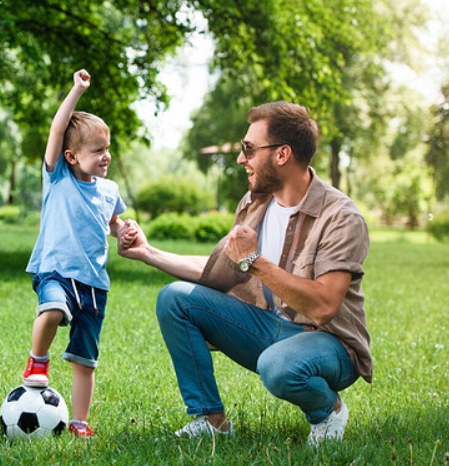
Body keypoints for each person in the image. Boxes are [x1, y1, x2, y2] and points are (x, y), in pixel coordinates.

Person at [117, 101, 371, 445]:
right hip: (270, 327)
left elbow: (324, 305)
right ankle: (211, 419)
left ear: (282, 154)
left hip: (330, 344)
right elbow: (219, 268)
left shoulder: (341, 217)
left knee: (278, 366)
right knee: (175, 299)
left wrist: (254, 259)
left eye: (248, 149)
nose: (241, 159)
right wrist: (147, 253)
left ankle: (328, 409)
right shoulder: (255, 203)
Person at [23, 69, 136, 438]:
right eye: (97, 150)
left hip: (94, 284)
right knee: (53, 310)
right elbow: (57, 130)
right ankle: (37, 362)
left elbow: (113, 221)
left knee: (85, 361)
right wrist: (77, 90)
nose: (106, 156)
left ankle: (80, 422)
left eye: (107, 149)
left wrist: (124, 230)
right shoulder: (57, 178)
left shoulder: (108, 189)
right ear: (71, 156)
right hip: (56, 271)